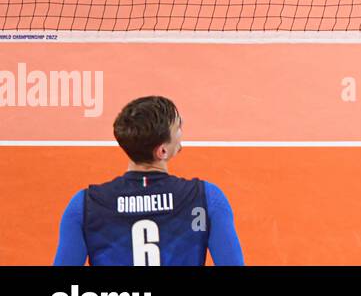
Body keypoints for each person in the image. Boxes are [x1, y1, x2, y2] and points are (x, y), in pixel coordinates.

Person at [53, 95, 244, 265]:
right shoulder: (207, 198)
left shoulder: (85, 205)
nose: (182, 125)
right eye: (178, 126)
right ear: (162, 151)